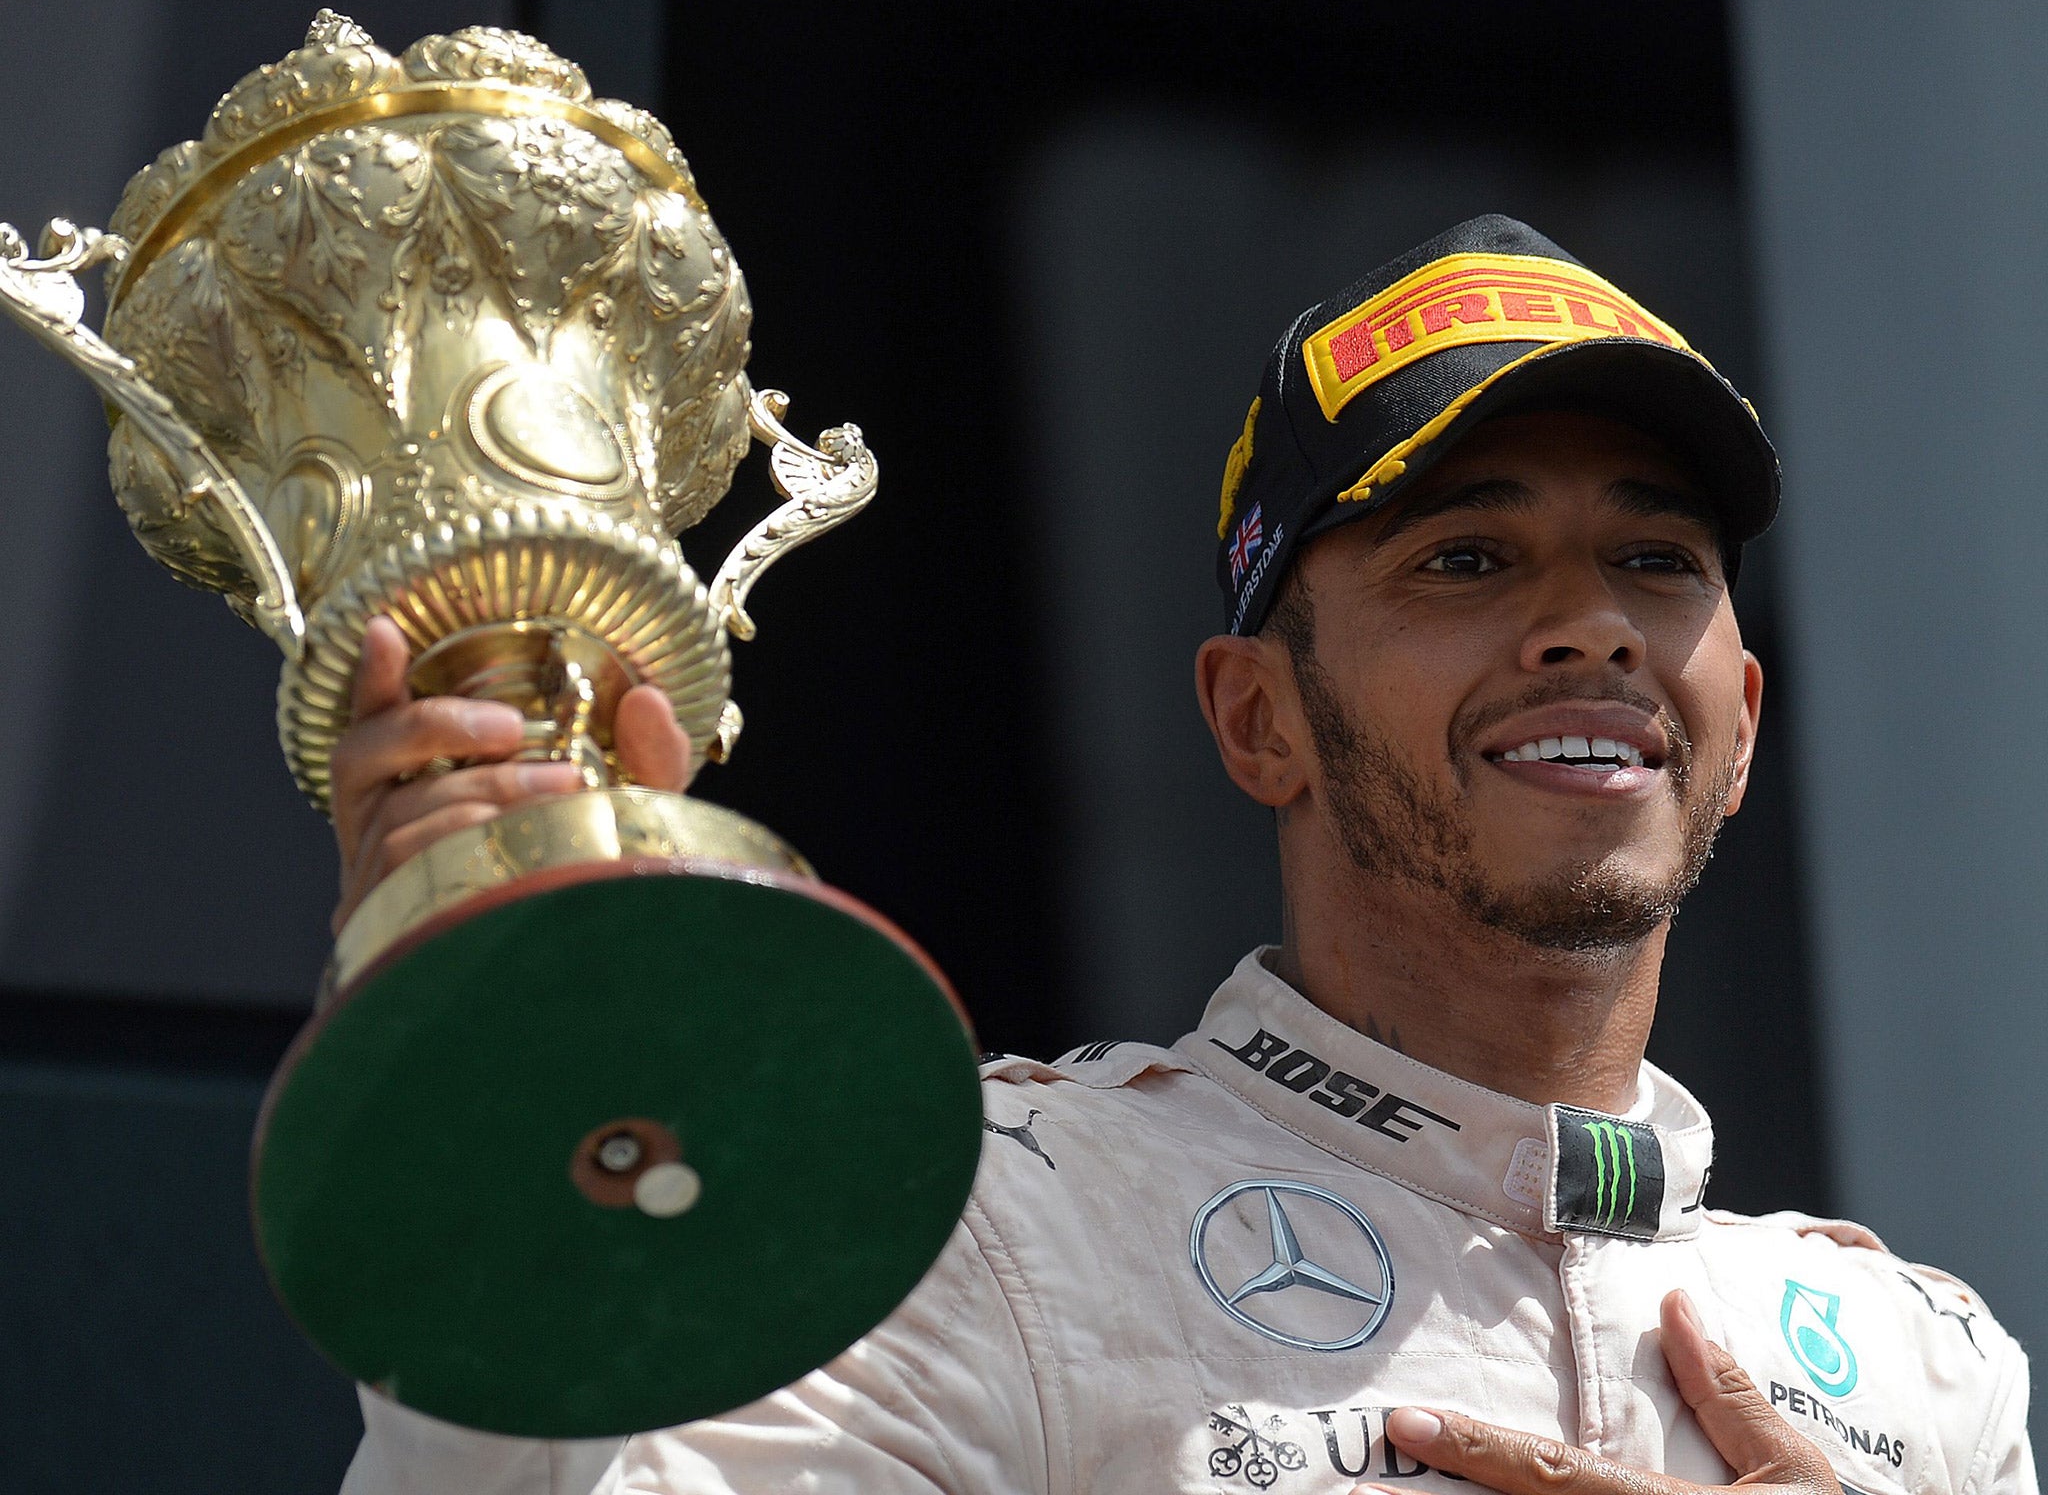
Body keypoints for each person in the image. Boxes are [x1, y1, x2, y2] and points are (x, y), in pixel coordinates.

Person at [334, 215, 2033, 1495]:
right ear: (1255, 721)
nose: (1586, 626)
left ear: (1737, 712)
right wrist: (497, 1050)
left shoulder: (1925, 1368)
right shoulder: (985, 1219)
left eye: (1656, 559)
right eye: (1465, 560)